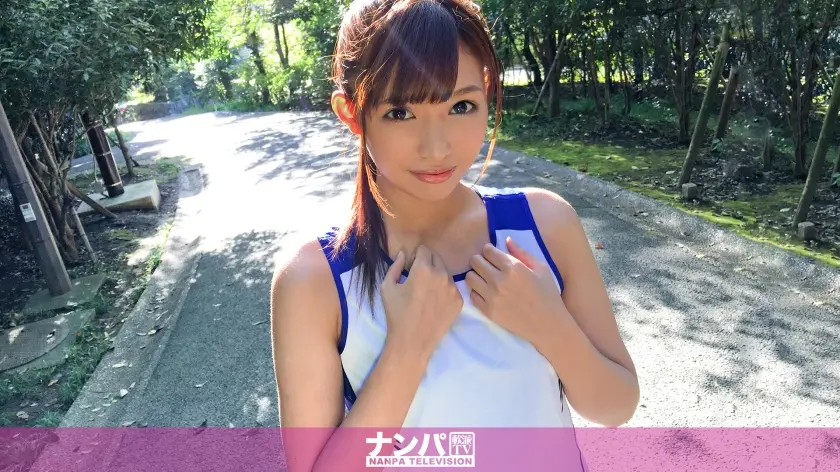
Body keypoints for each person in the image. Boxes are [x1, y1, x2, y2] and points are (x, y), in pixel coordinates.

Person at [270, 0, 639, 470]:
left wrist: (550, 325)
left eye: (460, 106)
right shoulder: (315, 281)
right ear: (352, 113)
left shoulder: (544, 225)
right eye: (400, 112)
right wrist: (408, 347)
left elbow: (615, 406)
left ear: (486, 91)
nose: (437, 147)